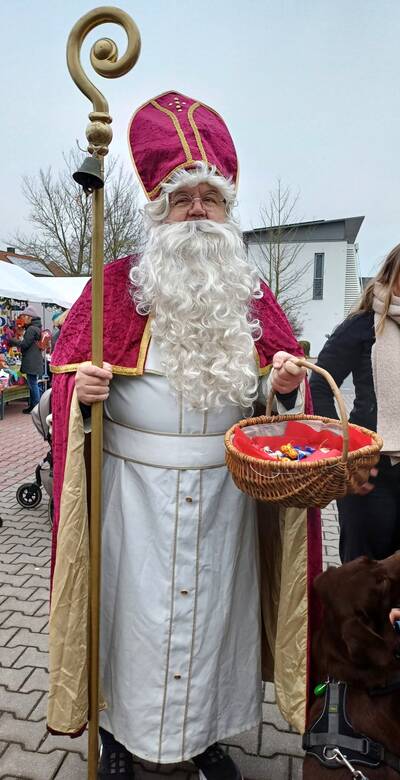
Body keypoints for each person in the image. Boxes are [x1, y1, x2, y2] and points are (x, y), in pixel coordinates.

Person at [47, 91, 323, 780]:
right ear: (156, 211)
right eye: (181, 197)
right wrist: (82, 396)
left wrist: (282, 389)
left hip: (225, 509)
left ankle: (203, 739)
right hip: (130, 502)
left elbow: (273, 408)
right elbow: (65, 396)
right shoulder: (114, 291)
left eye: (212, 197)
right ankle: (115, 736)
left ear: (230, 211)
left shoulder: (252, 299)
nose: (198, 210)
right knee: (130, 629)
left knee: (211, 635)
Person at [310, 243, 400, 563]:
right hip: (371, 472)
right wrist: (342, 454)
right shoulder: (362, 325)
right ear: (393, 273)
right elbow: (320, 383)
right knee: (363, 577)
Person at [9, 305, 42, 413]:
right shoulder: (36, 328)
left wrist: (12, 341)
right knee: (33, 383)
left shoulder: (31, 329)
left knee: (33, 384)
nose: (23, 319)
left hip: (31, 360)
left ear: (30, 317)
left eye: (24, 317)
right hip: (34, 360)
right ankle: (33, 405)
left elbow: (24, 344)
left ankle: (36, 407)